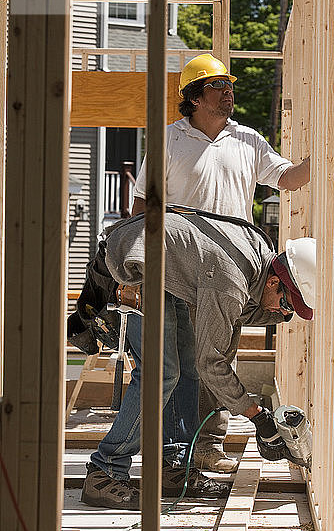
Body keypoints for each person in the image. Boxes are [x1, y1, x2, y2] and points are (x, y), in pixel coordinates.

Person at [131, 54, 310, 474]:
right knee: (177, 366)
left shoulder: (247, 140)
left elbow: (286, 179)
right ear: (193, 97)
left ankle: (209, 444)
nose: (229, 92)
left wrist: (321, 158)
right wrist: (137, 265)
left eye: (230, 86)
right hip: (178, 270)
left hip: (230, 272)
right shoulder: (169, 141)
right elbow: (143, 203)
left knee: (216, 357)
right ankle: (177, 453)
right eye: (218, 86)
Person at [81, 207, 316, 510]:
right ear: (274, 282)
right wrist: (257, 415)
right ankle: (104, 472)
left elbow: (234, 319)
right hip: (137, 263)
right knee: (161, 373)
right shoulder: (231, 280)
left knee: (187, 367)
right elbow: (213, 361)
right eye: (286, 304)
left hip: (167, 269)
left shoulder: (259, 257)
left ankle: (174, 467)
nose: (283, 313)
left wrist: (280, 313)